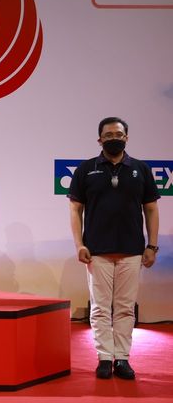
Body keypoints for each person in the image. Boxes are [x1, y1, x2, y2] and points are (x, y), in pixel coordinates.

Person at [68, 117, 159, 380]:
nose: (113, 138)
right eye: (107, 135)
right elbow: (75, 209)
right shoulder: (86, 170)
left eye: (118, 134)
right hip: (97, 251)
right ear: (99, 140)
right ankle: (104, 358)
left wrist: (152, 246)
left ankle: (122, 358)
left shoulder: (141, 169)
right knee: (99, 308)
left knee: (125, 308)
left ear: (127, 138)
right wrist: (79, 244)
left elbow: (151, 209)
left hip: (132, 251)